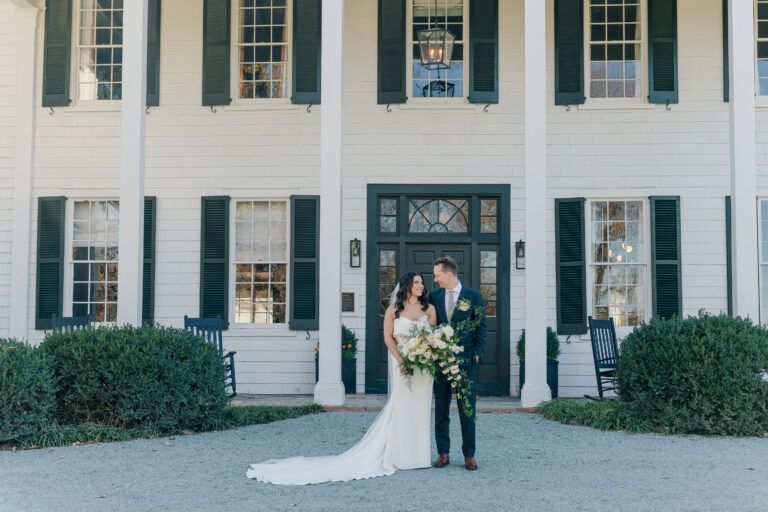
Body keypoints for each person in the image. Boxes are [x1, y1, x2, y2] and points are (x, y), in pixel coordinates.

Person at [245, 272, 437, 485]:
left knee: (420, 408)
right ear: (407, 285)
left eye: (422, 282)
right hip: (402, 365)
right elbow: (388, 338)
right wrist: (401, 360)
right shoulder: (394, 310)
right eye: (416, 282)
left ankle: (419, 456)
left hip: (423, 367)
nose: (421, 285)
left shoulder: (429, 309)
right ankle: (400, 455)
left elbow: (432, 337)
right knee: (402, 406)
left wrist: (425, 357)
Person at [429, 255, 487, 471]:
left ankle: (469, 455)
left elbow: (481, 326)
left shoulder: (473, 296)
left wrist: (478, 353)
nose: (435, 279)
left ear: (449, 273)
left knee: (467, 409)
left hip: (466, 362)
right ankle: (443, 453)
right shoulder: (434, 297)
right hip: (441, 362)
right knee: (441, 408)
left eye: (437, 275)